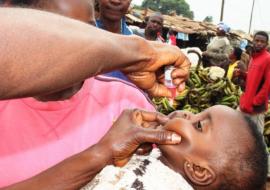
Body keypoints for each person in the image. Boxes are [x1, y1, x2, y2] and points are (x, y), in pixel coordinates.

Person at [0, 1, 190, 188]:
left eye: (89, 34)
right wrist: (100, 155)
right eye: (60, 32)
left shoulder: (128, 103)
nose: (82, 48)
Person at [83, 105, 268, 190]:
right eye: (196, 113)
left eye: (198, 125)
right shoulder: (159, 159)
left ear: (198, 170)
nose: (187, 114)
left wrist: (103, 152)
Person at [239, 31, 270, 132]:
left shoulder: (267, 58)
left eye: (262, 41)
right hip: (246, 103)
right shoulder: (253, 57)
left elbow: (267, 85)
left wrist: (255, 102)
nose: (259, 43)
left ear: (267, 44)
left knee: (257, 138)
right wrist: (243, 74)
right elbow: (254, 78)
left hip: (256, 107)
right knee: (242, 132)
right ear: (253, 41)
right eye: (257, 40)